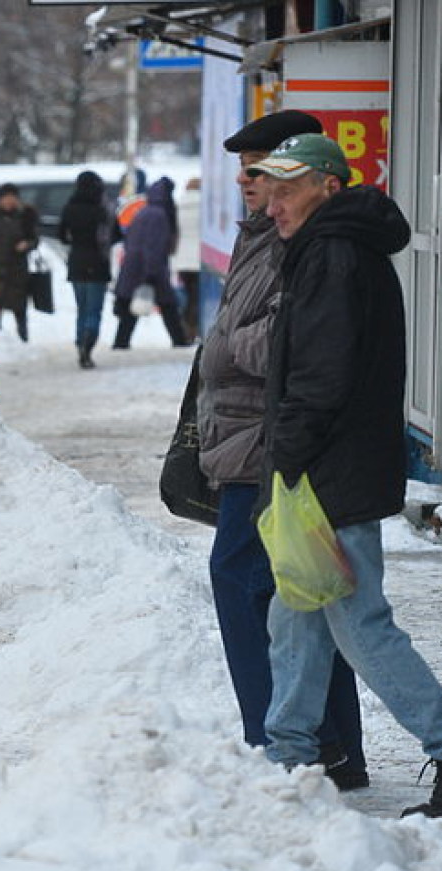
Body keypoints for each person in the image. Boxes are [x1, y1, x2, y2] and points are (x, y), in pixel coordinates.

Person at [250, 133, 442, 818]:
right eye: (268, 189)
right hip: (328, 467)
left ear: (328, 188)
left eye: (286, 189)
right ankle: (289, 753)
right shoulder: (329, 247)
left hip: (328, 471)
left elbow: (324, 373)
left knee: (359, 623)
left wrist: (287, 453)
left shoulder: (333, 254)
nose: (272, 204)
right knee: (296, 614)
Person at [197, 111, 367, 790]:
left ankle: (275, 739)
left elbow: (288, 343)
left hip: (272, 441)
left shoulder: (299, 241)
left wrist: (225, 346)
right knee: (300, 591)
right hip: (249, 434)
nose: (246, 175)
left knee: (243, 577)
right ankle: (331, 744)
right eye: (244, 164)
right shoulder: (263, 234)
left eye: (261, 164)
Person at [112, 177, 190, 349]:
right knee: (168, 306)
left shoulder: (144, 211)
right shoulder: (159, 215)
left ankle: (121, 343)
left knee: (132, 308)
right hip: (149, 268)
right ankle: (179, 341)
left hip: (133, 267)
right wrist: (151, 273)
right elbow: (153, 246)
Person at [57, 171, 113, 369]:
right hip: (98, 263)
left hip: (77, 262)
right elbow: (113, 235)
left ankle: (80, 342)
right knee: (94, 310)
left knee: (81, 308)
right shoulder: (101, 209)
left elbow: (62, 236)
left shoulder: (69, 207)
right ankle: (88, 346)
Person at [0, 183, 38, 339]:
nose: (8, 201)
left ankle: (23, 338)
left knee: (19, 308)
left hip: (17, 269)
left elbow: (34, 239)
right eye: (5, 198)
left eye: (12, 198)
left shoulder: (25, 216)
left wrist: (27, 244)